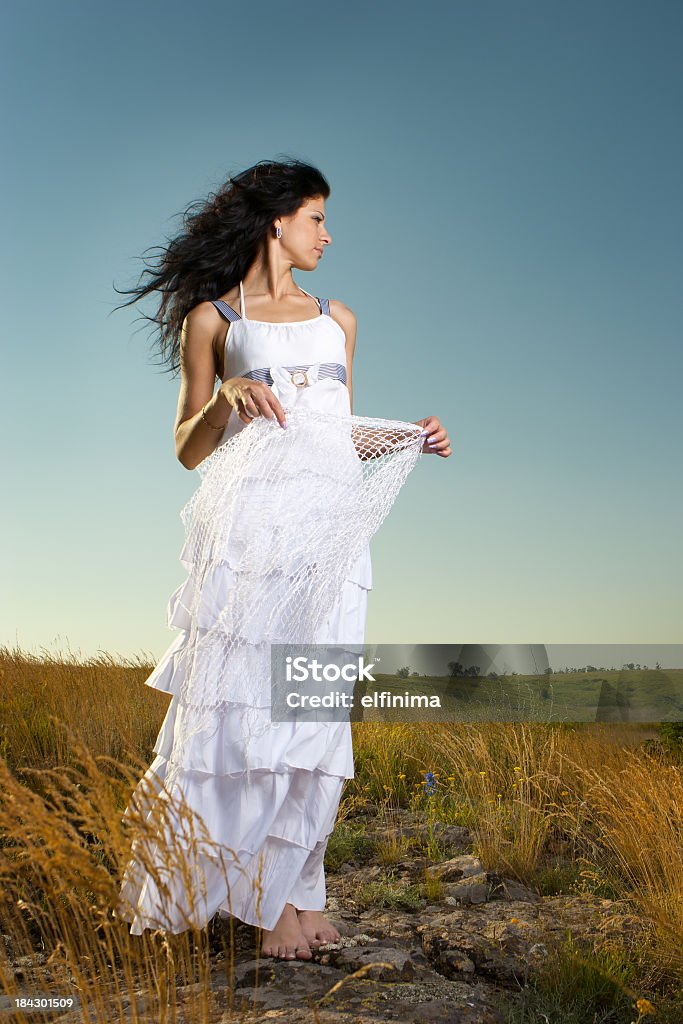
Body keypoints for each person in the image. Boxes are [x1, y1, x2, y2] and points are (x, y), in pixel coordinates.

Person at [112, 158, 451, 960]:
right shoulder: (214, 320)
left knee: (312, 716)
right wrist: (226, 399)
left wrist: (409, 435)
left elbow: (333, 437)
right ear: (276, 223)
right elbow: (187, 451)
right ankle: (258, 906)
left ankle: (295, 894)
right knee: (250, 718)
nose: (327, 236)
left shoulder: (340, 321)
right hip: (253, 543)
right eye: (316, 219)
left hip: (331, 541)